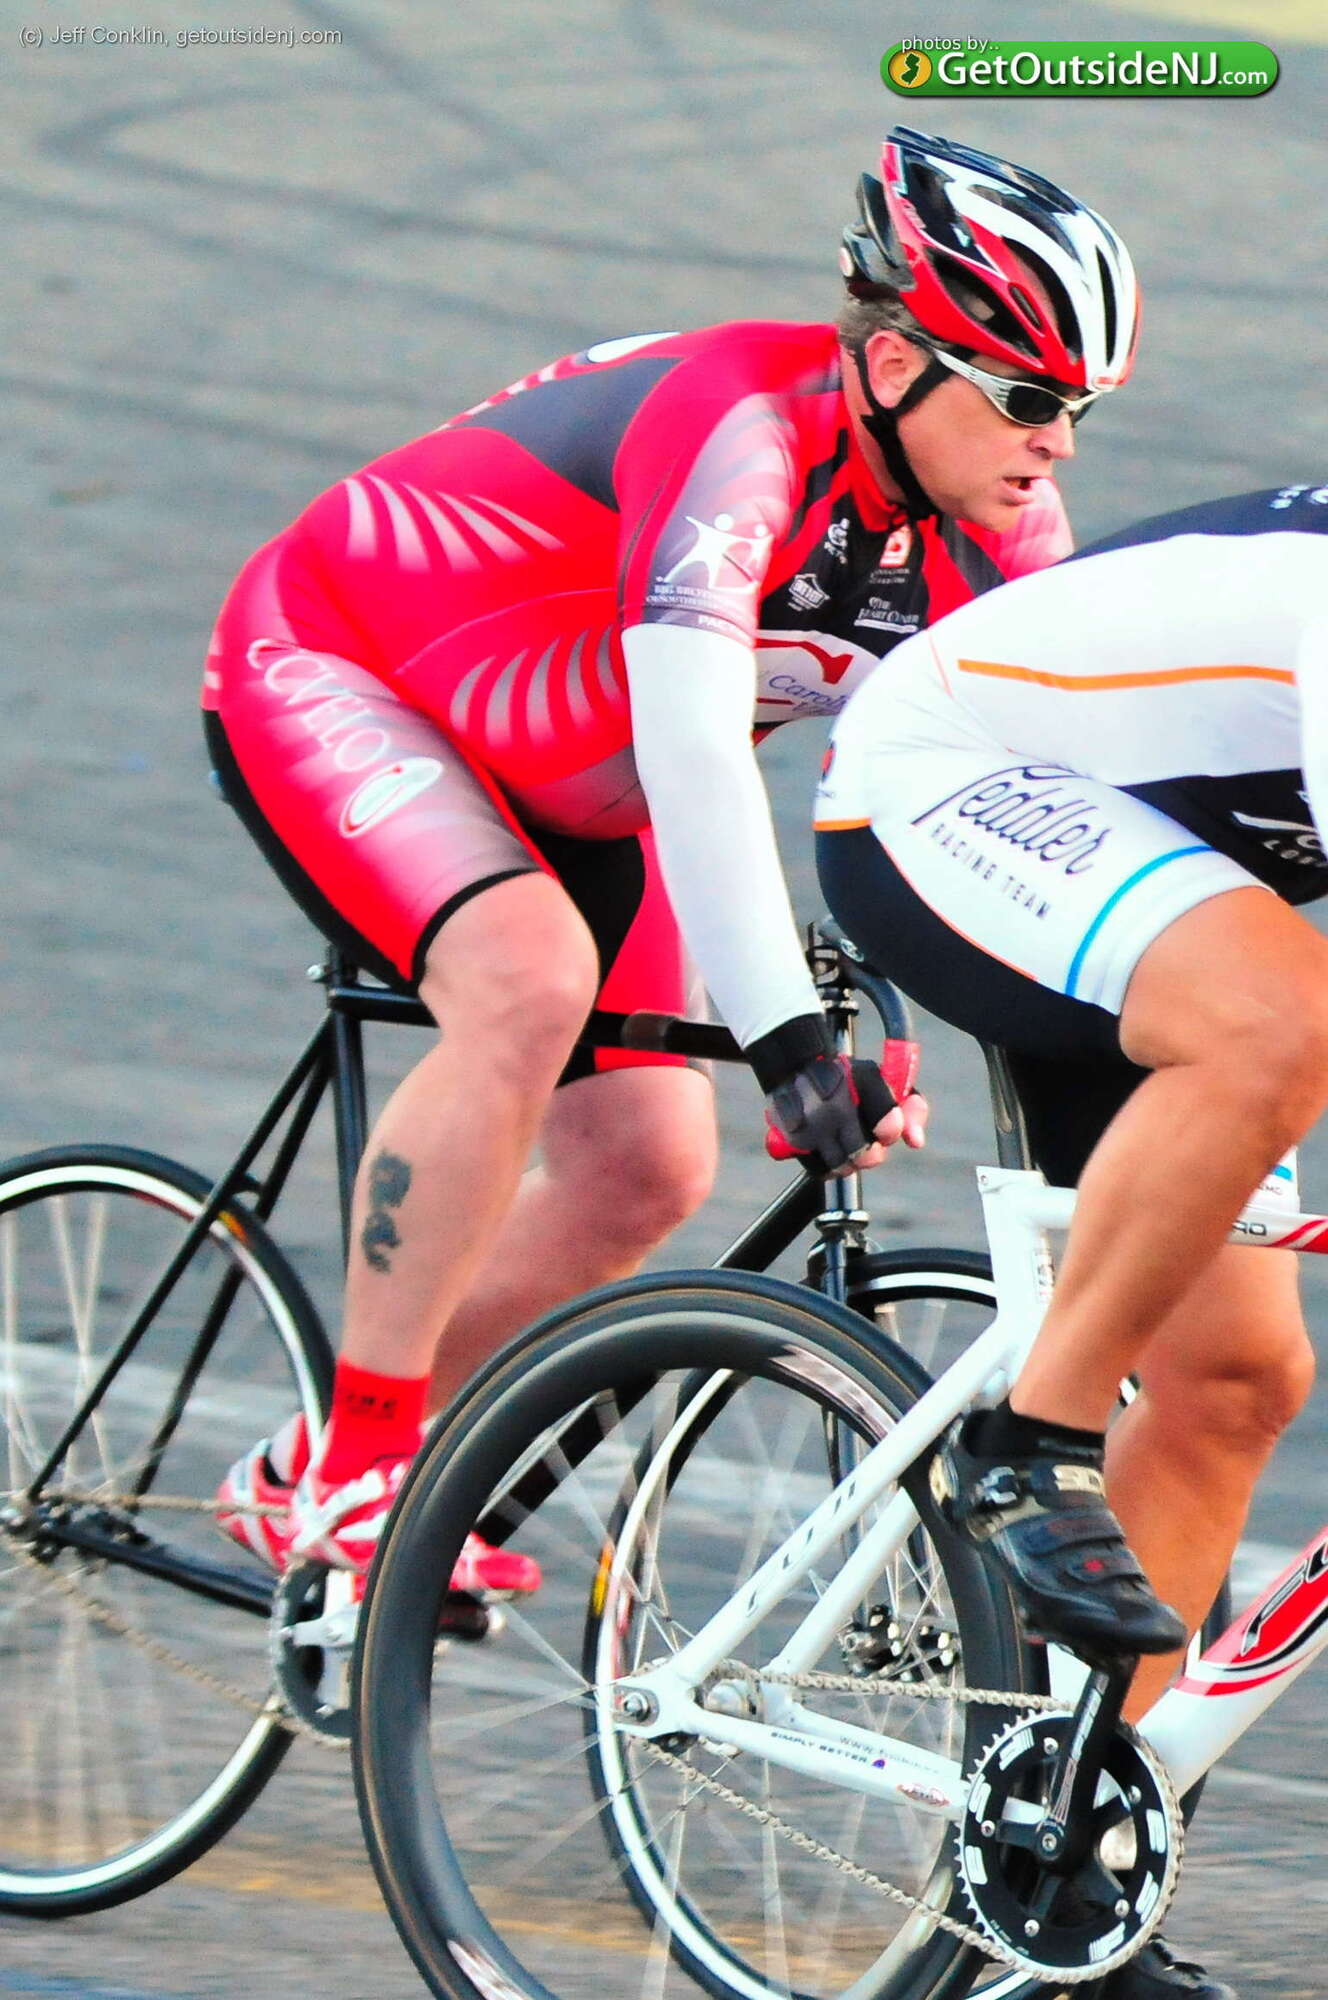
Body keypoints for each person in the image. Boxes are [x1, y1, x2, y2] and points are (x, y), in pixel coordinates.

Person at [205, 126, 1138, 1593]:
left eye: (1077, 407)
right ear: (897, 364)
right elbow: (699, 757)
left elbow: (1025, 801)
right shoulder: (741, 432)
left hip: (575, 790)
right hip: (336, 667)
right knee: (526, 982)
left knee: (646, 1169)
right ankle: (356, 1477)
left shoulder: (1003, 532)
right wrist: (789, 1041)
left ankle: (298, 1463)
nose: (1057, 445)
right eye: (1028, 399)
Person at [814, 482, 1328, 2000]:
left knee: (1233, 1380)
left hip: (1164, 874)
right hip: (952, 786)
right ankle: (1030, 1443)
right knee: (1283, 1022)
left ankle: (1070, 1882)